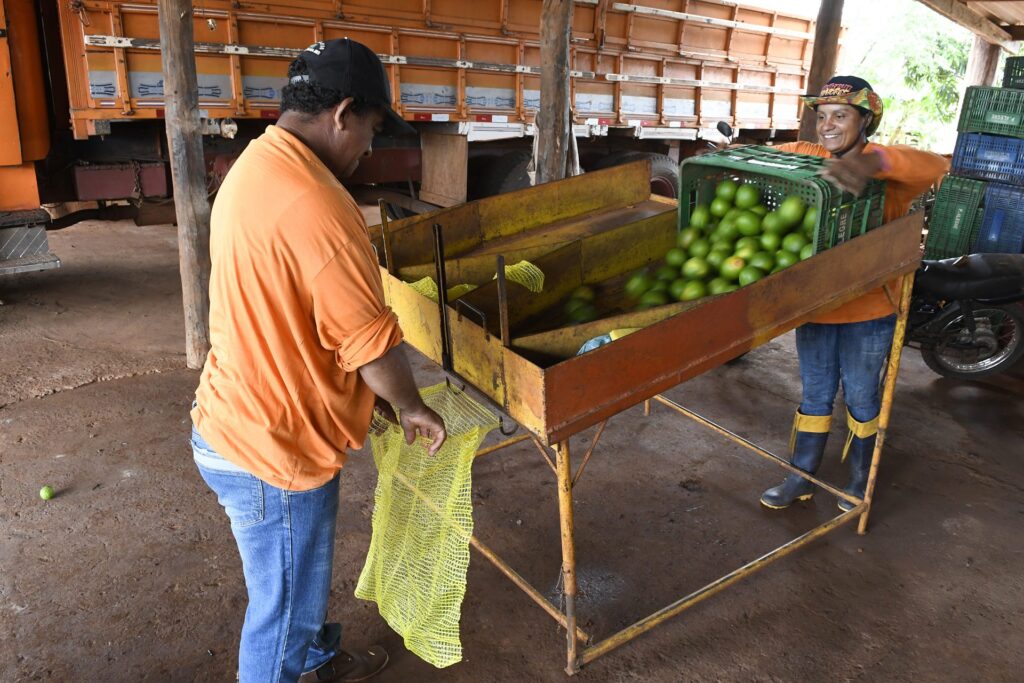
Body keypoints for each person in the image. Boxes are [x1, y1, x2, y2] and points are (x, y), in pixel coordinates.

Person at [189, 38, 447, 683]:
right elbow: (368, 341)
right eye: (371, 130)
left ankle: (311, 656)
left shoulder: (255, 166)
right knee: (278, 615)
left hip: (234, 417)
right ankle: (290, 661)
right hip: (273, 449)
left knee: (294, 590)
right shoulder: (320, 204)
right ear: (343, 113)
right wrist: (410, 406)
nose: (368, 147)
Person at [760, 76, 948, 512]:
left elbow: (935, 164)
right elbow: (766, 160)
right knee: (814, 395)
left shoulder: (890, 175)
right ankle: (801, 477)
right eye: (822, 116)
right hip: (815, 308)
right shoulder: (812, 160)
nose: (827, 125)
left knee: (862, 397)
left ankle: (861, 480)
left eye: (840, 115)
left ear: (865, 121)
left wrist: (869, 162)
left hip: (870, 311)